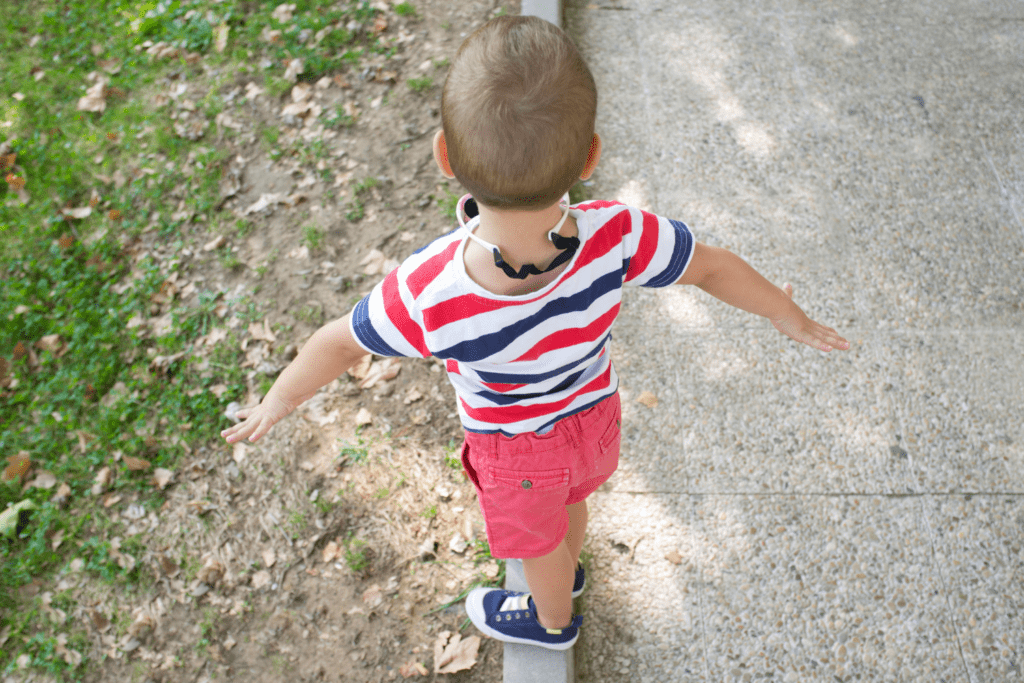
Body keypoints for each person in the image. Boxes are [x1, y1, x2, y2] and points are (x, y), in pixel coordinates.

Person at [221, 15, 850, 651]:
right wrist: (781, 311)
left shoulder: (430, 291)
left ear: (445, 156)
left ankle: (552, 621)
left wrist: (282, 398)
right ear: (590, 156)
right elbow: (710, 266)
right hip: (595, 421)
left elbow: (340, 341)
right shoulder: (619, 234)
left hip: (516, 451)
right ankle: (567, 572)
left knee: (540, 547)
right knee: (569, 505)